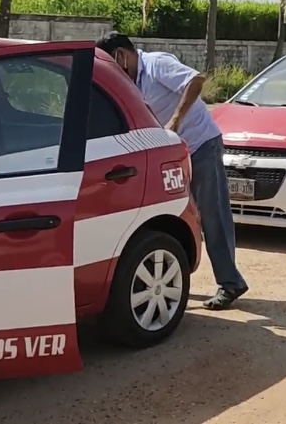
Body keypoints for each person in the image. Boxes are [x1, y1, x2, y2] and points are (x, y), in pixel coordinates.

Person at [95, 32, 248, 310]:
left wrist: (176, 120)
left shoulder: (156, 64)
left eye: (111, 63)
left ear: (120, 56)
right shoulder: (129, 82)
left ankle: (231, 283)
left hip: (200, 144)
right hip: (171, 153)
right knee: (175, 214)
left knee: (212, 214)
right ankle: (172, 279)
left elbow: (196, 80)